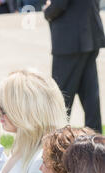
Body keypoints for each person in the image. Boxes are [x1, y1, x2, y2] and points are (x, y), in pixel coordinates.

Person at [44, 0, 105, 133]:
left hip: (69, 41)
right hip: (89, 35)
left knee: (60, 98)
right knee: (90, 98)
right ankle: (96, 146)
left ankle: (56, 145)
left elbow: (59, 5)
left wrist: (47, 10)